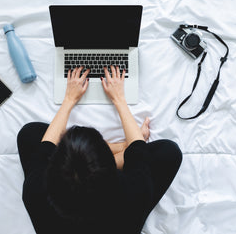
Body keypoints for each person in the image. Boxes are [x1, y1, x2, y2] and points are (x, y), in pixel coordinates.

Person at [17, 66, 182, 234]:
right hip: (123, 222)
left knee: (29, 134)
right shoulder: (136, 194)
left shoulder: (34, 192)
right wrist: (119, 99)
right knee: (170, 152)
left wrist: (69, 100)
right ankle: (116, 151)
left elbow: (46, 148)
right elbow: (138, 149)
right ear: (112, 166)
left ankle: (110, 152)